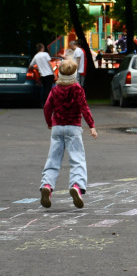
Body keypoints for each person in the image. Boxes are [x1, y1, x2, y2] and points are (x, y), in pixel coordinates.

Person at [39, 59, 98, 209]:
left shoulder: (55, 89)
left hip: (57, 127)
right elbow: (84, 107)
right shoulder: (77, 88)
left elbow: (47, 107)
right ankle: (76, 186)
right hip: (73, 127)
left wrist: (49, 123)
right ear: (75, 74)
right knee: (77, 159)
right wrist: (92, 125)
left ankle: (47, 185)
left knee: (53, 159)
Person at [30, 43, 55, 107]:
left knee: (44, 89)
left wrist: (37, 68)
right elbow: (49, 64)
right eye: (43, 47)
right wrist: (54, 73)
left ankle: (43, 103)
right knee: (48, 89)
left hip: (42, 75)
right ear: (41, 48)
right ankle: (49, 103)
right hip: (49, 74)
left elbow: (30, 66)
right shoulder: (46, 54)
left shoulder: (36, 56)